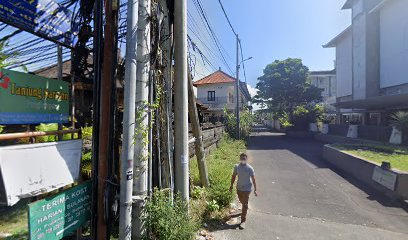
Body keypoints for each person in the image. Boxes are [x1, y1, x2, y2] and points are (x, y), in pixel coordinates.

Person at [229, 153, 257, 229]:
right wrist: (231, 186)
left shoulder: (250, 168)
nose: (243, 160)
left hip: (247, 189)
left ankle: (243, 221)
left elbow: (253, 179)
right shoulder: (237, 167)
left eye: (244, 159)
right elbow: (233, 176)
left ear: (246, 159)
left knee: (244, 204)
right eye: (241, 159)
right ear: (239, 159)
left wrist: (255, 189)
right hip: (239, 188)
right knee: (241, 201)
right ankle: (244, 207)